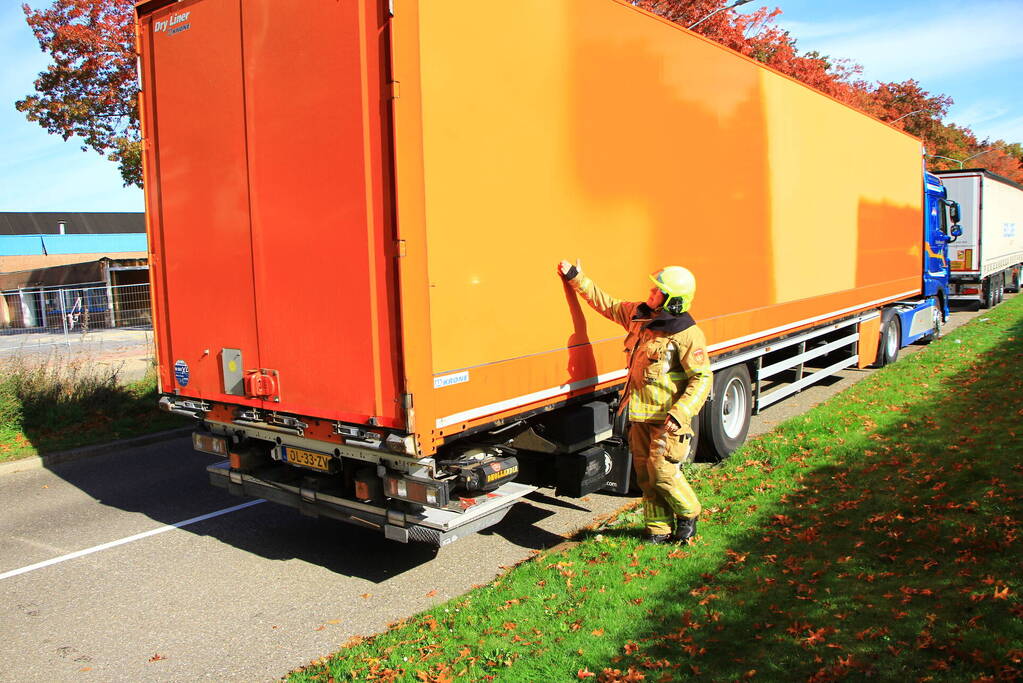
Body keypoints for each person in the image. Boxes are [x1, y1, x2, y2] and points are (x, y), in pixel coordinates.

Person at [558, 259, 712, 544]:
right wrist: (576, 278)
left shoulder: (687, 334)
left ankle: (688, 514)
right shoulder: (639, 316)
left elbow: (702, 378)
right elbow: (606, 303)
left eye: (658, 291)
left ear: (673, 301)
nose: (650, 293)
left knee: (663, 472)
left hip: (668, 420)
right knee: (645, 476)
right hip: (640, 415)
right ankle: (658, 530)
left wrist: (681, 413)